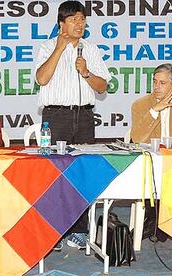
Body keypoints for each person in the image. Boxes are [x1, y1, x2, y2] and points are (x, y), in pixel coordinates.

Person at [35, 0, 111, 250]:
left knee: (82, 174)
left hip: (85, 118)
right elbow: (41, 78)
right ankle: (54, 232)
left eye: (82, 19)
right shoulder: (46, 47)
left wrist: (87, 73)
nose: (80, 24)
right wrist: (59, 49)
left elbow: (103, 88)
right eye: (74, 19)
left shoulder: (92, 50)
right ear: (61, 24)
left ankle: (78, 230)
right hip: (56, 117)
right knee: (53, 174)